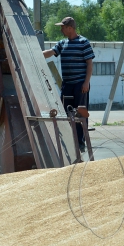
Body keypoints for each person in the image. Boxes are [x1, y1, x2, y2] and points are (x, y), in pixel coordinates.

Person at [42, 16, 95, 153]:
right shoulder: (62, 43)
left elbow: (89, 64)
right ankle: (69, 141)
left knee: (80, 114)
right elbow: (51, 52)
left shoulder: (83, 42)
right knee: (66, 113)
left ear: (70, 28)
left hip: (80, 85)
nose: (61, 29)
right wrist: (36, 55)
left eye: (63, 27)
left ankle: (80, 142)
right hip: (67, 85)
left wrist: (86, 83)